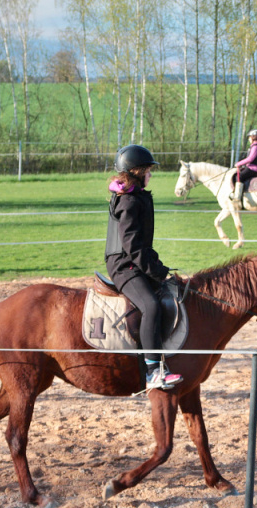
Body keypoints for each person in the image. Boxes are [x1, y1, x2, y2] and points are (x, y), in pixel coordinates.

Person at [105, 144, 183, 390]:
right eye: (148, 170)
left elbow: (141, 246)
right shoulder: (128, 201)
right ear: (136, 171)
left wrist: (158, 267)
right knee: (150, 305)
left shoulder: (136, 196)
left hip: (134, 261)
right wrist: (156, 271)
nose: (151, 174)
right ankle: (153, 371)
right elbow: (132, 246)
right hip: (123, 266)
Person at [230, 129, 257, 204]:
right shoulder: (254, 146)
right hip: (252, 167)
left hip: (254, 168)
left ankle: (237, 197)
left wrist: (239, 163)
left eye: (249, 137)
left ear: (253, 137)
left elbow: (250, 158)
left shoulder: (255, 146)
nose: (248, 139)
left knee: (239, 176)